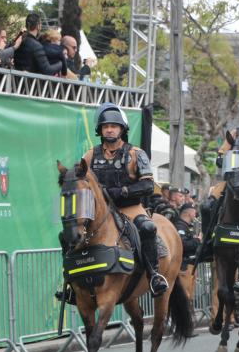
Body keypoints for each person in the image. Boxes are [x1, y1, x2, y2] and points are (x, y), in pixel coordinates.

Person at [81, 103, 168, 295]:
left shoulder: (136, 154)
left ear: (122, 129)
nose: (109, 129)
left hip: (129, 208)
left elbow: (147, 185)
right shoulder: (90, 156)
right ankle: (72, 283)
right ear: (100, 130)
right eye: (106, 126)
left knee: (148, 228)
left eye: (114, 126)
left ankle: (154, 275)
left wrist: (122, 192)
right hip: (101, 211)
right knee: (74, 231)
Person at [199, 95, 239, 240]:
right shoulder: (235, 133)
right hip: (233, 178)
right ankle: (207, 241)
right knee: (207, 206)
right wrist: (220, 158)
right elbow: (223, 151)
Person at [174, 202, 200, 269]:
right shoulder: (180, 226)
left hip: (187, 265)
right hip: (183, 266)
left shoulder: (185, 226)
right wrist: (197, 240)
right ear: (189, 213)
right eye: (194, 212)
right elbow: (183, 245)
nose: (195, 214)